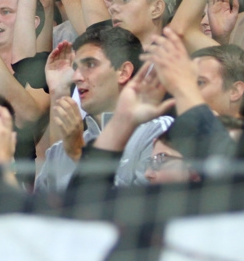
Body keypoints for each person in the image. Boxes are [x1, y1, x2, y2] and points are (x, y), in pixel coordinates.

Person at [35, 24, 172, 192]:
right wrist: (58, 91)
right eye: (76, 67)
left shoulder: (159, 133)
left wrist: (80, 155)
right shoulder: (61, 150)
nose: (76, 76)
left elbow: (142, 209)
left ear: (123, 72)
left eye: (90, 65)